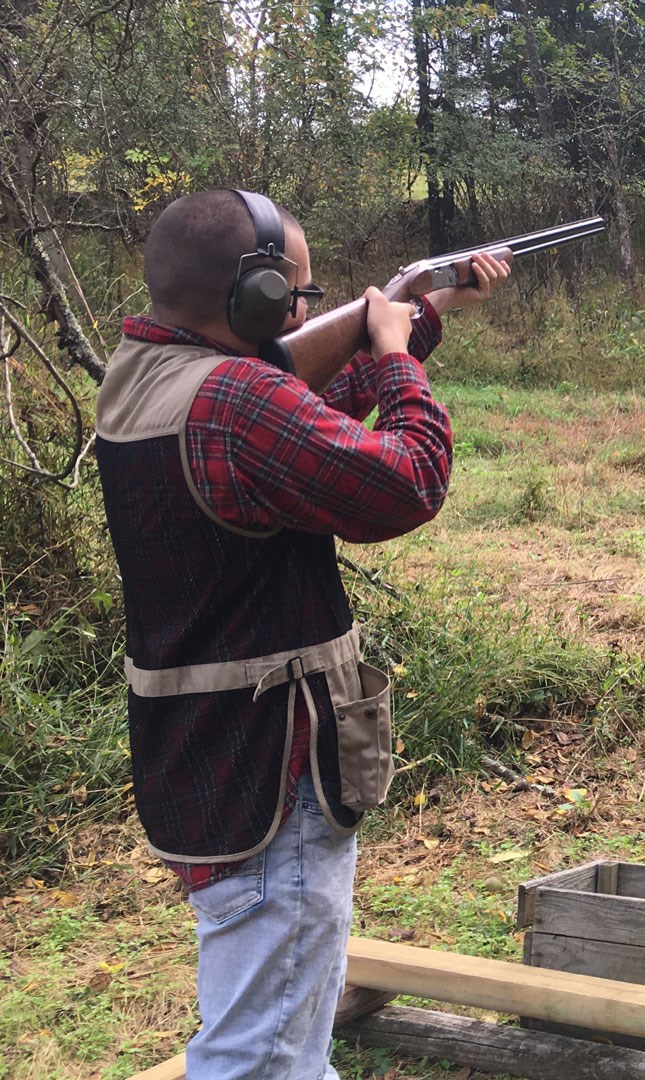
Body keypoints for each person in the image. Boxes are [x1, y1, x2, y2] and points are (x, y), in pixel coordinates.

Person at [94, 188, 508, 1078]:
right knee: (262, 1055)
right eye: (302, 297)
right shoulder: (235, 402)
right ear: (254, 300)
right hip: (272, 769)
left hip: (206, 760)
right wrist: (396, 358)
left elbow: (291, 411)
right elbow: (407, 479)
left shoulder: (140, 373)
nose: (310, 314)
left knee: (279, 1033)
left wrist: (418, 312)